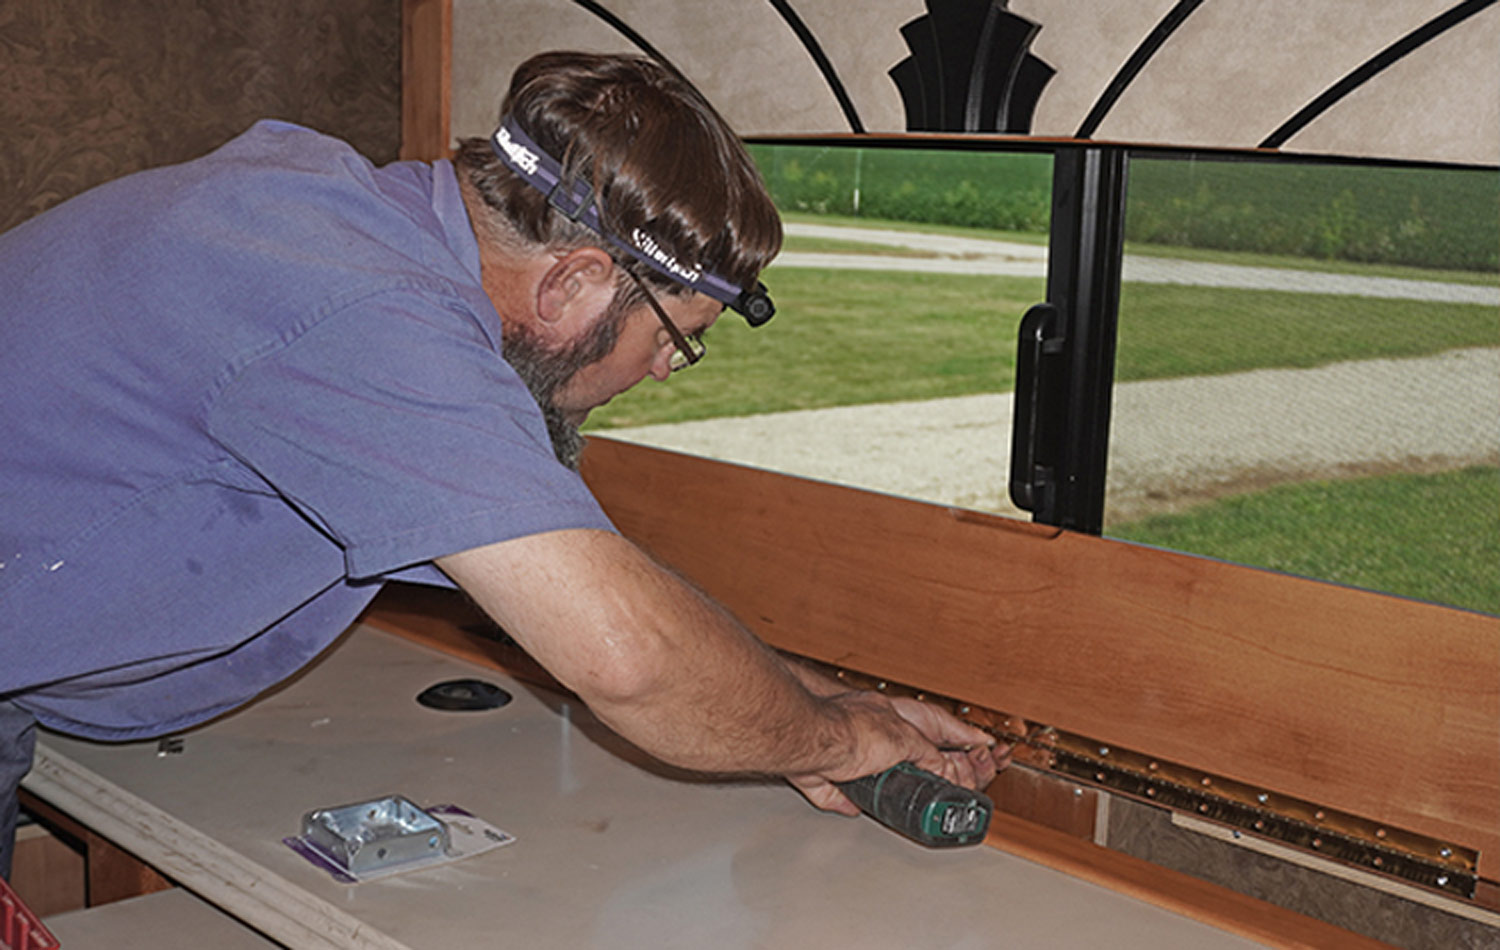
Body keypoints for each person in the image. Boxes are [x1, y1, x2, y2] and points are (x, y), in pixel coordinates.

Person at [0, 51, 1000, 879]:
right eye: (675, 339)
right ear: (572, 282)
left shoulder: (339, 217)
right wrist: (838, 742)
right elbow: (629, 657)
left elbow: (577, 575)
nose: (662, 370)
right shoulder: (370, 314)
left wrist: (820, 701)